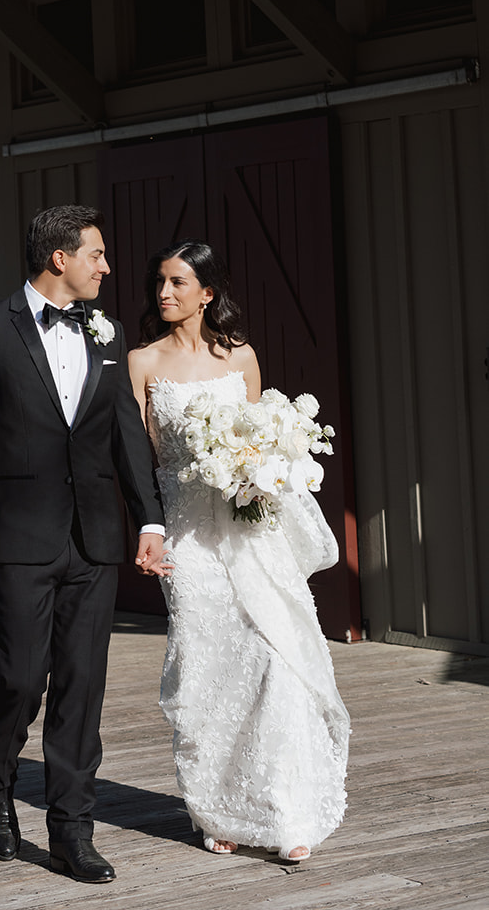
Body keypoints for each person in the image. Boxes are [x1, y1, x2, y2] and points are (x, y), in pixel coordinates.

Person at [0, 204, 169, 884]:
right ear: (57, 259)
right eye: (95, 254)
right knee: (16, 678)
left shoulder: (108, 330)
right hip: (16, 531)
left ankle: (72, 828)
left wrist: (149, 520)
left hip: (94, 537)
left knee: (81, 686)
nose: (106, 266)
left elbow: (125, 433)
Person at [128, 238, 349, 864]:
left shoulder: (241, 357)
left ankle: (287, 811)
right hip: (188, 535)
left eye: (176, 283)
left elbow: (263, 442)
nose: (163, 294)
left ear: (208, 293)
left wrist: (259, 470)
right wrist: (145, 528)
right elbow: (137, 460)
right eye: (159, 284)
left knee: (274, 662)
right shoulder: (141, 363)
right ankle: (214, 808)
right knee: (205, 665)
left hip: (251, 530)